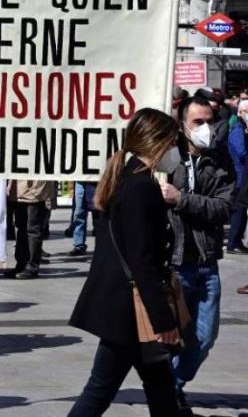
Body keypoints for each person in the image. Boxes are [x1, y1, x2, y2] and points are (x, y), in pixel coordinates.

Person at [69, 108, 182, 416]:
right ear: (157, 142)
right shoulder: (141, 187)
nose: (175, 151)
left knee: (159, 385)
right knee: (100, 390)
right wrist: (163, 320)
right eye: (173, 143)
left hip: (122, 305)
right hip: (129, 311)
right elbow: (142, 261)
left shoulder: (126, 177)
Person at [166, 96, 233, 416]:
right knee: (169, 340)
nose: (206, 128)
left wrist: (181, 200)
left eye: (210, 121)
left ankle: (172, 385)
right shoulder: (168, 160)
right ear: (182, 124)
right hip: (175, 264)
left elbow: (223, 208)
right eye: (198, 122)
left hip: (207, 263)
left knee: (204, 338)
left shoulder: (219, 161)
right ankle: (169, 393)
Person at [6, 180, 54, 279]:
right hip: (19, 191)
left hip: (35, 190)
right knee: (21, 228)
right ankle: (21, 264)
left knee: (33, 229)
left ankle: (32, 266)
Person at [227, 100, 248, 254]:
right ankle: (233, 242)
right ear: (240, 112)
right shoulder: (237, 130)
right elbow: (241, 153)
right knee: (239, 210)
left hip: (242, 175)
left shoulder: (242, 129)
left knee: (242, 209)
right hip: (239, 176)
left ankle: (237, 241)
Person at [69, 182, 97, 256]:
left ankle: (100, 243)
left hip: (96, 180)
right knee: (79, 212)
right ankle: (79, 245)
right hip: (81, 181)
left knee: (98, 212)